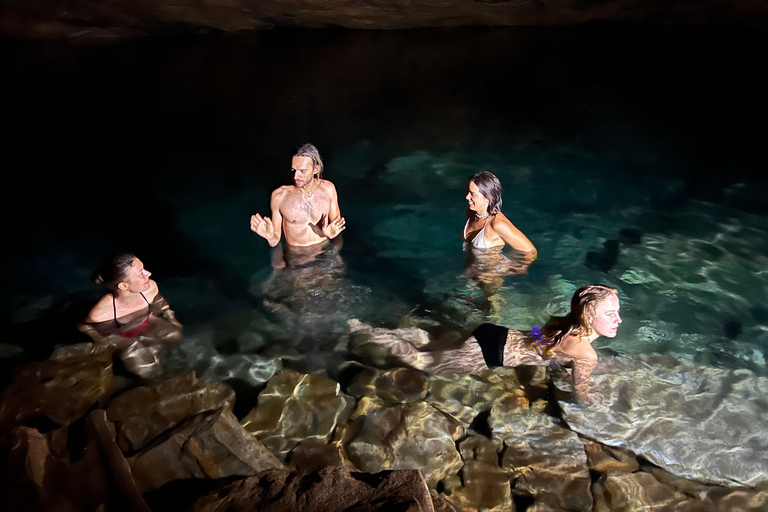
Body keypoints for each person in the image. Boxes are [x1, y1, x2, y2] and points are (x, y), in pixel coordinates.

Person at [364, 284, 621, 404]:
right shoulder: (587, 354)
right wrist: (589, 403)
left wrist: (556, 361)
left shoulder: (565, 325)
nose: (619, 319)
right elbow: (579, 393)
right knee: (422, 362)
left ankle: (381, 330)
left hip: (492, 333)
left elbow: (539, 338)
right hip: (487, 353)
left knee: (435, 342)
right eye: (610, 314)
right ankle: (368, 333)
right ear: (588, 315)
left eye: (618, 312)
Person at [78, 253, 182, 378]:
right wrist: (99, 339)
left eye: (144, 269)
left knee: (175, 334)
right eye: (140, 273)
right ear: (123, 286)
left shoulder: (149, 289)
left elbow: (160, 302)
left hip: (145, 322)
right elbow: (83, 326)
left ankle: (152, 350)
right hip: (121, 334)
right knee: (146, 369)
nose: (148, 273)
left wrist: (170, 316)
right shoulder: (102, 312)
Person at [250, 143, 345, 252]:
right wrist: (269, 236)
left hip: (323, 252)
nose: (295, 176)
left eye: (302, 171)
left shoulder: (328, 189)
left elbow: (337, 228)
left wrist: (328, 234)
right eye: (293, 170)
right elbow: (274, 241)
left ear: (315, 169)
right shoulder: (279, 196)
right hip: (297, 258)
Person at [464, 171, 536, 256]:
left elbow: (531, 252)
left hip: (492, 269)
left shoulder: (497, 224)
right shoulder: (472, 213)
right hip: (473, 267)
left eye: (473, 194)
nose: (467, 197)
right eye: (468, 192)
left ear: (488, 198)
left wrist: (515, 267)